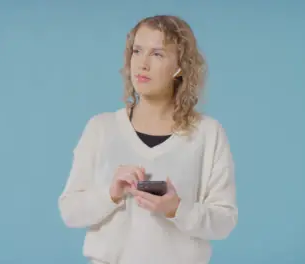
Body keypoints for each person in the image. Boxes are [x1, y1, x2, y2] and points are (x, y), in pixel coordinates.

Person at [58, 15, 238, 264]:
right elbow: (70, 212)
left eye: (157, 54)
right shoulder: (101, 128)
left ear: (180, 66)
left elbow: (224, 221)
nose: (142, 64)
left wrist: (177, 209)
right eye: (137, 51)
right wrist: (110, 194)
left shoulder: (208, 133)